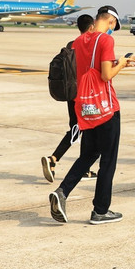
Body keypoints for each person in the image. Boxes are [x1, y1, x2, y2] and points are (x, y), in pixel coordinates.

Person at [50, 6, 135, 225]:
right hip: (106, 108)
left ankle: (62, 192)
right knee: (108, 160)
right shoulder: (106, 41)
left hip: (86, 107)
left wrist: (116, 62)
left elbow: (93, 68)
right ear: (112, 22)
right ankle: (100, 210)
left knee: (88, 155)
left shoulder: (79, 42)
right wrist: (123, 64)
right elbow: (106, 75)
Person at [41, 14, 98, 183]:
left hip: (71, 93)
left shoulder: (70, 45)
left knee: (76, 128)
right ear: (91, 27)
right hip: (84, 95)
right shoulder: (88, 46)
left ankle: (57, 160)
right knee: (86, 129)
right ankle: (58, 159)